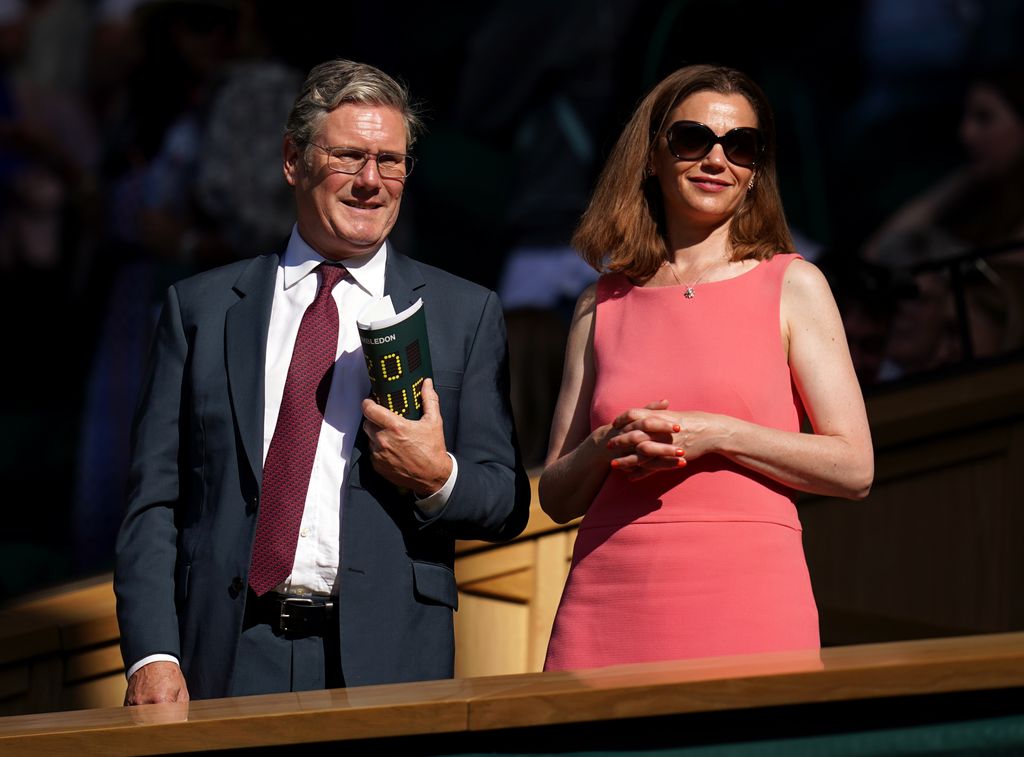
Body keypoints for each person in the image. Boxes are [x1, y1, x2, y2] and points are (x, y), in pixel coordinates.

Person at [114, 58, 531, 703]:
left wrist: (436, 478)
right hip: (224, 655)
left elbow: (504, 500)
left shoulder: (464, 314)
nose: (371, 181)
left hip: (388, 662)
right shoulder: (199, 309)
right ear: (293, 160)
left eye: (390, 161)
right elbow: (154, 502)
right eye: (348, 156)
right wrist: (151, 654)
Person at [540, 64, 873, 670]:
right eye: (693, 139)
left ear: (754, 174)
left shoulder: (792, 283)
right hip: (608, 599)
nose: (717, 159)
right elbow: (557, 496)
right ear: (652, 156)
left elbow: (855, 467)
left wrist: (718, 433)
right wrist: (604, 443)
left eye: (740, 146)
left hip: (747, 597)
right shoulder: (602, 300)